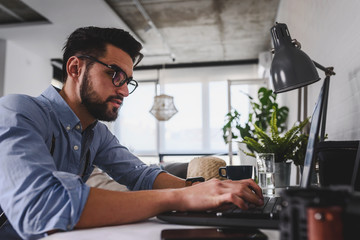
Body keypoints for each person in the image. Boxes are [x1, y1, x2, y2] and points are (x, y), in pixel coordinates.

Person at [0, 27, 264, 239]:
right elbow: (42, 207)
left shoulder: (96, 132)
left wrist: (209, 192)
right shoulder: (18, 111)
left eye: (127, 81)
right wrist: (180, 196)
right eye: (115, 75)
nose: (124, 91)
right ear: (75, 68)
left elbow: (140, 174)